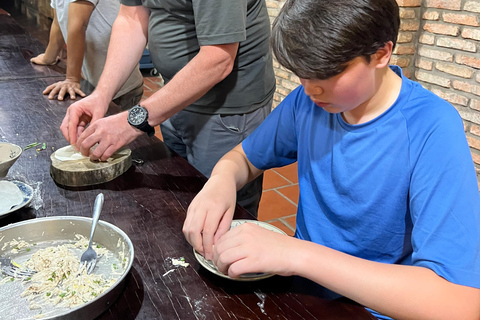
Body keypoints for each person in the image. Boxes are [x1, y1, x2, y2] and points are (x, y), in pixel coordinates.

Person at [182, 0, 480, 319]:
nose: (311, 90)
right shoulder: (308, 102)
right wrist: (220, 181)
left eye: (326, 74)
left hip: (370, 307)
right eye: (301, 75)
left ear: (381, 53)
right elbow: (243, 157)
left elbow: (459, 303)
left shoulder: (431, 127)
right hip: (299, 290)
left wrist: (297, 255)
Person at [59, 0, 275, 216]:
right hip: (176, 94)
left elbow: (218, 58)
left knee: (218, 213)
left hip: (227, 111)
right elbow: (131, 18)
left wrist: (134, 120)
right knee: (179, 201)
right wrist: (101, 94)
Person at [31, 0, 144, 109]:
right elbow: (58, 22)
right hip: (98, 84)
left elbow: (78, 26)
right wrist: (48, 57)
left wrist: (72, 79)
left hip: (120, 87)